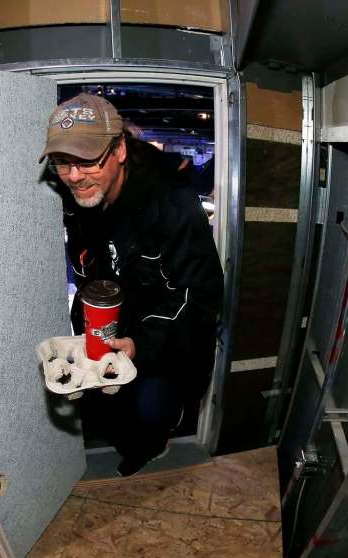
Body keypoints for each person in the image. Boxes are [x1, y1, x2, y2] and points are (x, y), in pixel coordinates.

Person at [38, 93, 224, 476]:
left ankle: (147, 449)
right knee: (109, 403)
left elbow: (202, 297)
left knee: (152, 410)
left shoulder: (172, 204)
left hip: (163, 334)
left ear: (119, 150)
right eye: (62, 162)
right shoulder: (76, 197)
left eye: (87, 160)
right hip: (108, 321)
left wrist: (143, 342)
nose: (74, 177)